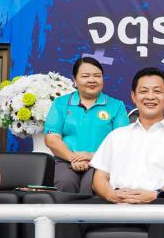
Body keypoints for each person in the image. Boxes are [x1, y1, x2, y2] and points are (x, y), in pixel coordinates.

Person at [83, 68, 164, 238]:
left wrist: (155, 195)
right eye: (144, 91)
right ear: (133, 96)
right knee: (67, 215)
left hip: (158, 205)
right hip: (115, 203)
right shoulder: (116, 136)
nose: (150, 97)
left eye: (157, 91)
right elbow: (99, 178)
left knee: (163, 214)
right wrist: (111, 195)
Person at [43, 55, 130, 193]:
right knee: (65, 182)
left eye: (97, 76)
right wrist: (73, 158)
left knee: (92, 184)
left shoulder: (116, 106)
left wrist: (92, 156)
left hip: (102, 163)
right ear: (75, 80)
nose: (92, 80)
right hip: (66, 160)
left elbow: (123, 141)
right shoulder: (60, 103)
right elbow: (51, 138)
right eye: (85, 76)